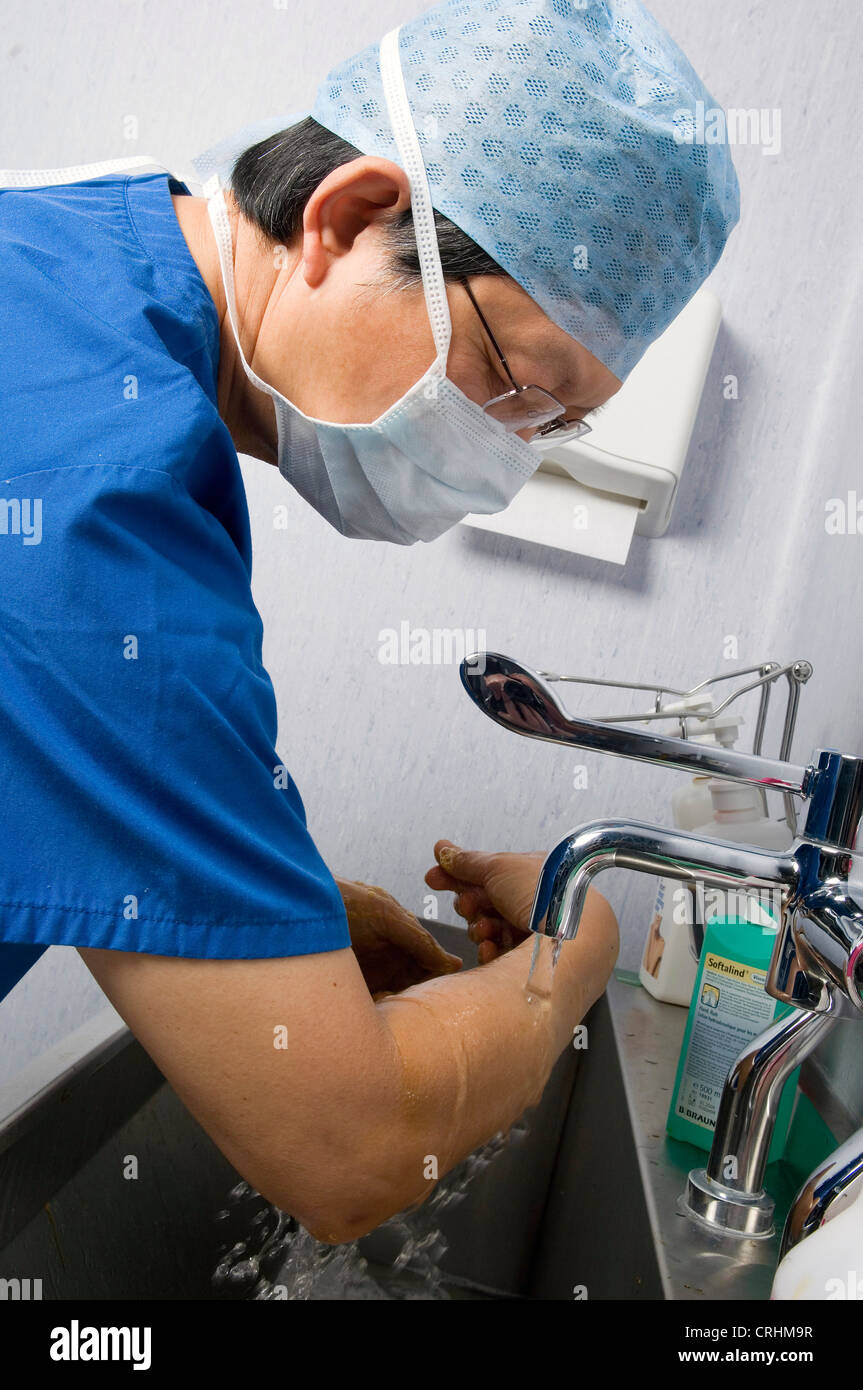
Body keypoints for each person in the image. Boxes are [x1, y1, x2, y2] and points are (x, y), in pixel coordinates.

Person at [0, 0, 739, 1242]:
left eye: (552, 433)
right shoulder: (100, 514)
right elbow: (355, 1151)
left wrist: (299, 914)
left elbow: (78, 773)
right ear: (344, 219)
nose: (505, 468)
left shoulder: (65, 265)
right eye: (515, 390)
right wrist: (583, 931)